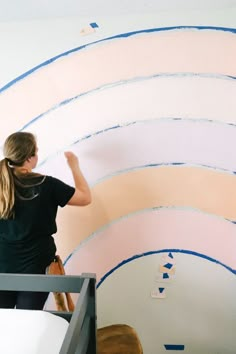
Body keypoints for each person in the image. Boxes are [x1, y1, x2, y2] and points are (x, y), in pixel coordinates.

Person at [0, 131, 91, 310]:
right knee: (29, 324)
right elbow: (85, 198)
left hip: (2, 269)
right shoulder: (47, 185)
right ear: (30, 157)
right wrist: (74, 166)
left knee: (4, 327)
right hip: (36, 270)